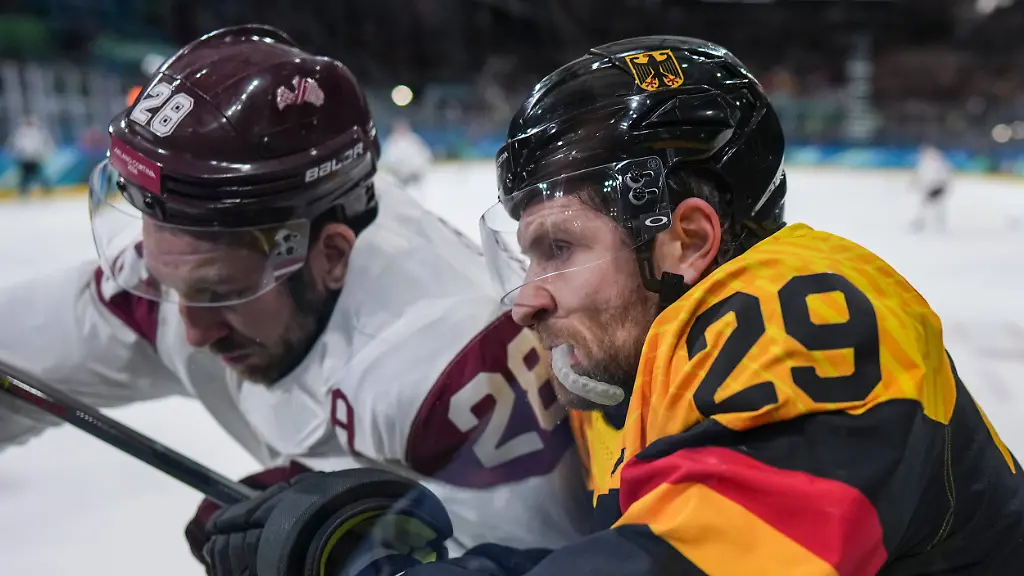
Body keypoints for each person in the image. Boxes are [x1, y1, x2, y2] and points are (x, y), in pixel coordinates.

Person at [201, 36, 1024, 576]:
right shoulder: (622, 362)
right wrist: (394, 526)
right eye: (525, 254)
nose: (526, 299)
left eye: (558, 247)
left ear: (688, 240)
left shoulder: (804, 307)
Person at [0, 24, 589, 570]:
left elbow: (562, 561)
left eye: (221, 293)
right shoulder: (175, 279)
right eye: (167, 279)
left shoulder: (453, 370)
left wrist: (368, 560)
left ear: (330, 256)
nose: (192, 331)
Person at [5, 115, 54, 198]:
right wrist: (16, 155)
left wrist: (44, 155)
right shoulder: (18, 134)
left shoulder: (40, 133)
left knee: (41, 177)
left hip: (37, 159)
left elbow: (48, 146)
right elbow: (11, 146)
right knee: (24, 178)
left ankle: (47, 192)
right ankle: (23, 193)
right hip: (24, 160)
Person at [909, 143, 954, 233]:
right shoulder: (931, 162)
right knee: (932, 206)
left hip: (937, 187)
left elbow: (945, 177)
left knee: (929, 205)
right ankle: (932, 223)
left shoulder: (936, 163)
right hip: (935, 188)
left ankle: (924, 223)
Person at [379, 119, 435, 189]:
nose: (401, 130)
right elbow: (386, 158)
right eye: (399, 127)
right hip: (399, 177)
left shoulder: (414, 139)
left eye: (403, 127)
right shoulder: (392, 141)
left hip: (415, 174)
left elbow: (425, 153)